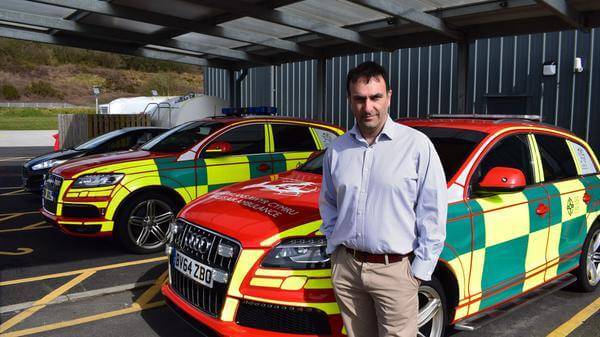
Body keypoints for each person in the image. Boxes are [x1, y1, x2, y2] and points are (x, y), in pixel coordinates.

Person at [319, 61, 447, 337]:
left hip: (396, 272)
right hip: (348, 270)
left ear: (389, 96)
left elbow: (433, 212)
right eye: (360, 99)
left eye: (375, 97)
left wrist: (418, 273)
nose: (368, 107)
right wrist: (335, 251)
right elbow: (329, 202)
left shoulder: (417, 146)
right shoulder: (338, 150)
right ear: (349, 100)